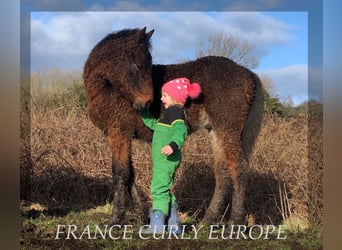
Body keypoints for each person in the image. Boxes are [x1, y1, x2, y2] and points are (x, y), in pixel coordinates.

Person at [139, 77, 201, 234]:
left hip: (166, 158)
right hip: (165, 158)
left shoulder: (175, 111)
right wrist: (143, 113)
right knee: (165, 189)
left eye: (164, 95)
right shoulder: (170, 113)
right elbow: (156, 125)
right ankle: (173, 225)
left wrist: (173, 145)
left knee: (158, 188)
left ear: (174, 98)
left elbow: (180, 129)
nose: (161, 98)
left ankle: (157, 226)